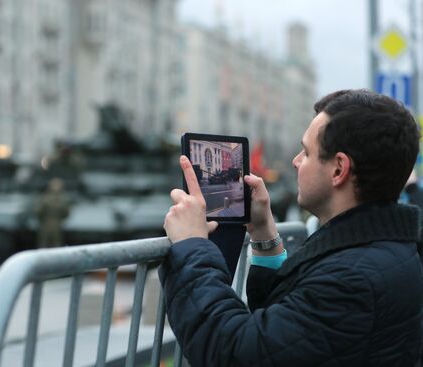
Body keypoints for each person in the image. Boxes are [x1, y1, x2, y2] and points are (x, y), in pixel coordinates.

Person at [159, 89, 423, 366]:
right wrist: (263, 233)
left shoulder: (351, 278)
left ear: (338, 169)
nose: (296, 161)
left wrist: (191, 245)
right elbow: (289, 331)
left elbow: (235, 352)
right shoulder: (389, 249)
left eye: (307, 152)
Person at [35, 178, 70, 248]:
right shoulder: (62, 200)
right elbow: (66, 213)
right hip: (51, 225)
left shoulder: (45, 198)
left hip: (50, 224)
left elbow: (38, 212)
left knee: (51, 244)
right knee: (49, 244)